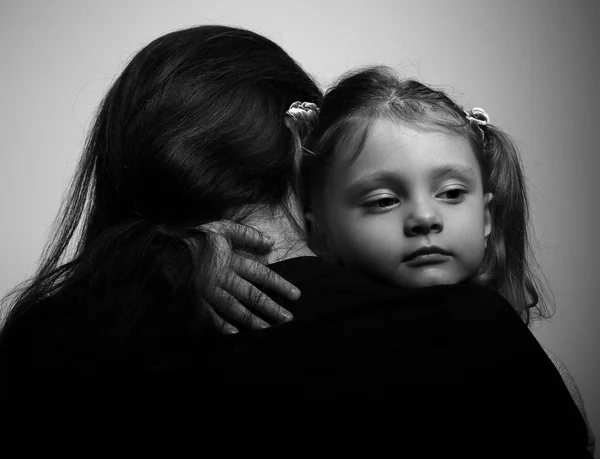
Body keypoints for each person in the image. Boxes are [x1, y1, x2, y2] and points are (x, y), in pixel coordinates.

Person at [0, 27, 591, 458]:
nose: (423, 219)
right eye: (383, 198)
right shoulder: (469, 332)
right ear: (303, 154)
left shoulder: (44, 344)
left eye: (451, 192)